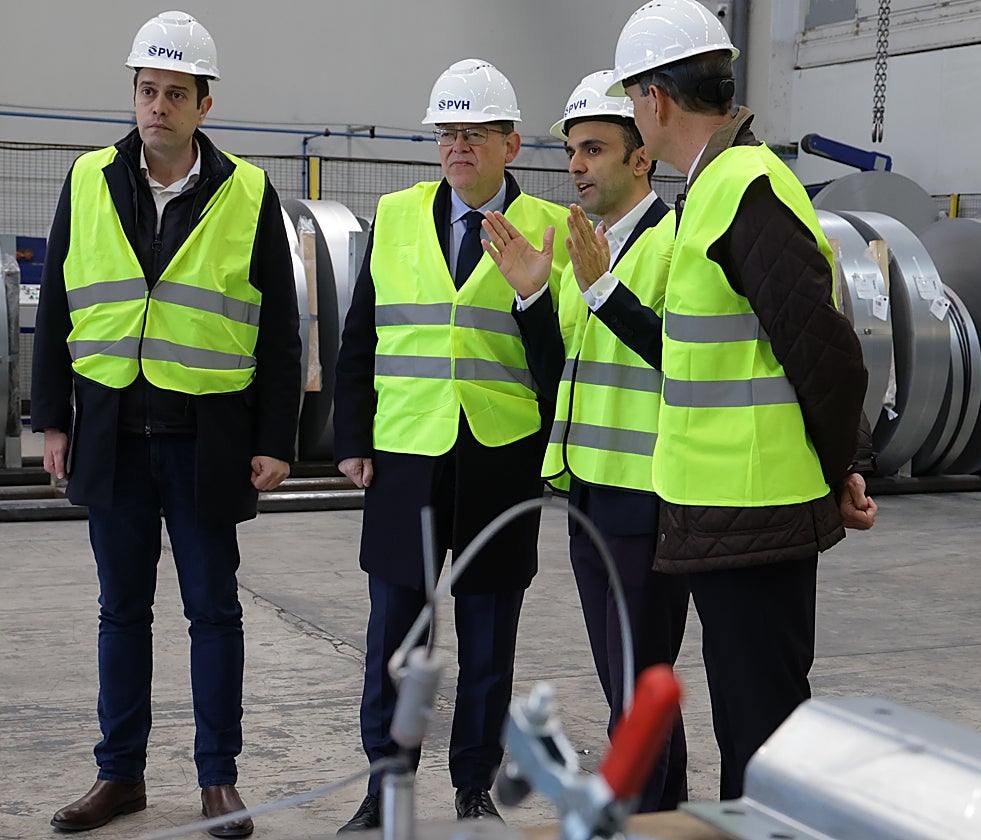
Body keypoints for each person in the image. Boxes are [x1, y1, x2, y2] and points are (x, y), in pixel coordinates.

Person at [591, 0, 877, 800]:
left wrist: (843, 465)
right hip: (721, 513)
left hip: (757, 513)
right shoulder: (713, 188)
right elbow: (693, 356)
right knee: (748, 734)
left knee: (764, 737)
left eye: (630, 100)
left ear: (656, 98)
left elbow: (822, 350)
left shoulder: (745, 188)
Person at [30, 11, 301, 837]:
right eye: (147, 90)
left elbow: (281, 326)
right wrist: (52, 421)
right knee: (121, 612)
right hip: (111, 432)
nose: (157, 106)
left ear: (204, 104)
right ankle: (120, 776)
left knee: (213, 610)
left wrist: (274, 440)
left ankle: (219, 780)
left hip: (205, 439)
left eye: (174, 93)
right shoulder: (87, 180)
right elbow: (55, 311)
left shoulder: (248, 192)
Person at [332, 58, 570, 832]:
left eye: (474, 133)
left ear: (511, 144)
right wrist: (352, 436)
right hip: (405, 451)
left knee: (489, 635)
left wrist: (533, 290)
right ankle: (385, 786)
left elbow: (557, 362)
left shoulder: (552, 230)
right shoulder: (396, 215)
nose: (458, 146)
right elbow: (361, 333)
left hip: (501, 455)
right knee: (396, 635)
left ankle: (473, 785)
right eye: (447, 133)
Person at [479, 70, 689, 811]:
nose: (574, 165)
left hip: (649, 494)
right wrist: (535, 295)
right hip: (588, 490)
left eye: (593, 149)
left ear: (642, 159)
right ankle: (662, 819)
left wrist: (605, 292)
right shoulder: (583, 248)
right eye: (571, 150)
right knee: (628, 682)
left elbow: (686, 361)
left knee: (636, 684)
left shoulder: (674, 247)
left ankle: (642, 821)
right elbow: (555, 375)